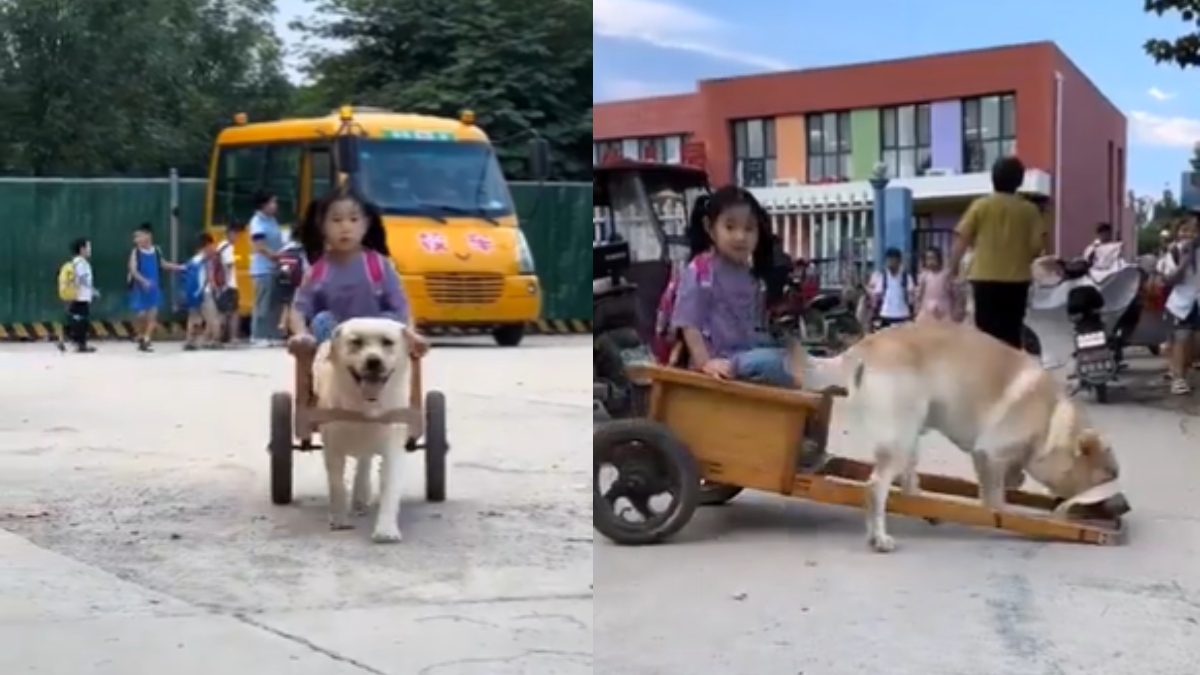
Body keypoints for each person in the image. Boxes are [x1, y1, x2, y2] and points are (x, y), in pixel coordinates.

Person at [668, 185, 826, 468]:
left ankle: (803, 436)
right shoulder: (701, 271)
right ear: (709, 227)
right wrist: (706, 363)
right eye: (730, 227)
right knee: (780, 363)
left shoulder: (748, 273)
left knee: (800, 356)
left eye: (749, 229)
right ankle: (796, 440)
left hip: (748, 351)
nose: (740, 236)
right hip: (724, 361)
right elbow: (688, 322)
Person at [287, 188, 428, 390]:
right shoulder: (317, 272)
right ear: (322, 226)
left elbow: (400, 307)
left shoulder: (379, 266)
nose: (345, 227)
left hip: (377, 343)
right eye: (336, 220)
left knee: (394, 322)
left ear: (366, 224)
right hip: (339, 348)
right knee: (321, 320)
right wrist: (301, 334)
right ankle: (325, 383)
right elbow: (299, 309)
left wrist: (411, 333)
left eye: (353, 220)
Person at [948, 156, 1045, 349]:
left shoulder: (980, 206)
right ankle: (1010, 375)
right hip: (1017, 281)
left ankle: (989, 374)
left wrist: (952, 269)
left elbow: (961, 239)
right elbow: (1037, 248)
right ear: (1019, 181)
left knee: (987, 336)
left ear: (993, 178)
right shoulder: (1030, 210)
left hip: (985, 280)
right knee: (1011, 333)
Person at [1158, 216, 1199, 394]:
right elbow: (1170, 280)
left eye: (1193, 230)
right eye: (1184, 230)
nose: (1188, 234)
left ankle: (1178, 364)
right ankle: (1178, 378)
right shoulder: (1174, 252)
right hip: (1181, 303)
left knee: (1194, 346)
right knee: (1181, 340)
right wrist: (1184, 262)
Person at [127, 223, 182, 352]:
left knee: (153, 315)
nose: (136, 240)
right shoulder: (135, 252)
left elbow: (162, 264)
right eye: (135, 237)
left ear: (148, 236)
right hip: (140, 289)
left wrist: (178, 267)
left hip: (154, 288)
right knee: (140, 315)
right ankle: (140, 335)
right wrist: (144, 281)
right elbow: (133, 270)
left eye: (138, 236)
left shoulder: (156, 251)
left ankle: (146, 339)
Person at [249, 189, 285, 347]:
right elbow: (260, 247)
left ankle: (273, 334)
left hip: (275, 268)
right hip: (263, 269)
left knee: (275, 304)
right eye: (272, 202)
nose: (275, 205)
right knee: (262, 304)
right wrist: (277, 257)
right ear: (263, 205)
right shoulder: (257, 222)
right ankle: (258, 335)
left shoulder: (272, 220)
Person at [182, 233, 222, 350]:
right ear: (207, 246)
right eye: (211, 245)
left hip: (193, 294)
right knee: (213, 317)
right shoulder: (206, 260)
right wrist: (215, 287)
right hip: (205, 293)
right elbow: (210, 277)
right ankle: (215, 340)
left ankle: (190, 341)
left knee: (193, 317)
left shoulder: (192, 260)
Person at [60, 237, 98, 353]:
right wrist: (93, 290)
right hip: (81, 295)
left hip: (77, 295)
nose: (89, 250)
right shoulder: (81, 263)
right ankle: (80, 344)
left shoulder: (75, 262)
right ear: (82, 249)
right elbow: (82, 279)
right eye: (88, 247)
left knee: (73, 318)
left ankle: (65, 340)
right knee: (81, 321)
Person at [867, 248, 915, 328]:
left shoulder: (906, 277)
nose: (890, 263)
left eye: (893, 260)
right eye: (888, 260)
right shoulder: (882, 276)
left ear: (899, 261)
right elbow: (877, 295)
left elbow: (911, 296)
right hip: (885, 314)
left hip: (903, 315)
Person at [214, 221, 243, 343]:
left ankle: (218, 337)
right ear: (231, 233)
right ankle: (233, 337)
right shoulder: (229, 247)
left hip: (221, 286)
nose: (237, 237)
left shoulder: (220, 246)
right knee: (233, 313)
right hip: (229, 285)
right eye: (236, 234)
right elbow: (229, 264)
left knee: (223, 312)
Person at [915, 246, 959, 322]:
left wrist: (955, 312)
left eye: (933, 258)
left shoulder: (946, 275)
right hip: (927, 311)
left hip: (944, 312)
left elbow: (955, 295)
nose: (931, 261)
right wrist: (917, 309)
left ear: (939, 259)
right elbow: (919, 295)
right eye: (928, 259)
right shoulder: (924, 276)